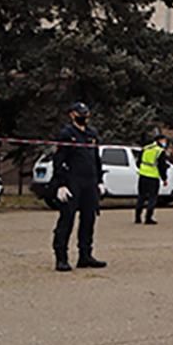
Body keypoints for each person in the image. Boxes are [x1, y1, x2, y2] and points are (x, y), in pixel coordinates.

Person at [50, 102, 107, 272]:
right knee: (67, 220)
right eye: (80, 113)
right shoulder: (66, 134)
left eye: (86, 113)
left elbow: (96, 159)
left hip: (90, 182)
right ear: (72, 114)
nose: (84, 116)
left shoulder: (91, 134)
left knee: (89, 219)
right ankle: (61, 258)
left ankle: (85, 255)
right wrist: (61, 184)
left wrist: (99, 180)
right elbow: (59, 160)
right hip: (72, 182)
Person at [135, 131, 169, 225]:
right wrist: (164, 178)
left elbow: (138, 162)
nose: (165, 142)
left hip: (142, 175)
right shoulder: (159, 151)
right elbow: (162, 166)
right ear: (159, 140)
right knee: (152, 198)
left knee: (141, 196)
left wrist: (143, 169)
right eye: (164, 140)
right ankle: (148, 218)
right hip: (153, 177)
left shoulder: (146, 148)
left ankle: (137, 217)